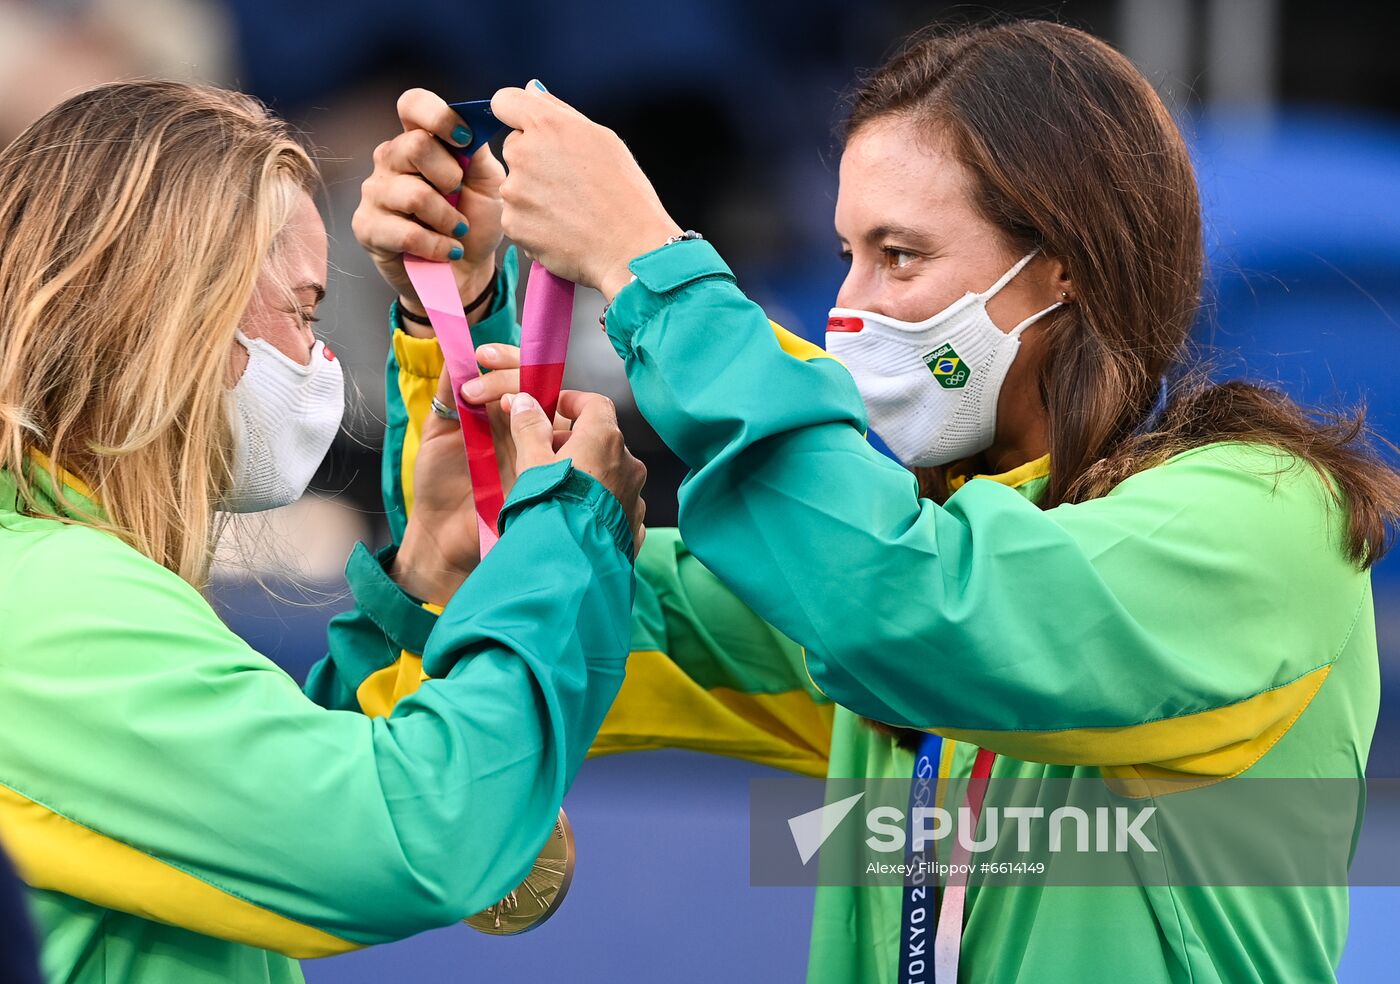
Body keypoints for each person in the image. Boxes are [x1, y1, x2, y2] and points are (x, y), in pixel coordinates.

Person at [358, 20, 1400, 984]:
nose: (847, 308)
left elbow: (910, 601)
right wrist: (460, 347)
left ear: (1065, 269)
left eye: (899, 256)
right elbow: (499, 672)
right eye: (846, 255)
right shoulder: (885, 555)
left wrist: (646, 266)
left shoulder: (1268, 522)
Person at [0, 80, 645, 984]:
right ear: (171, 312)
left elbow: (267, 804)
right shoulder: (49, 602)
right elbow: (414, 833)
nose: (323, 359)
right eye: (304, 313)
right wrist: (565, 538)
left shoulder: (48, 578)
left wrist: (426, 578)